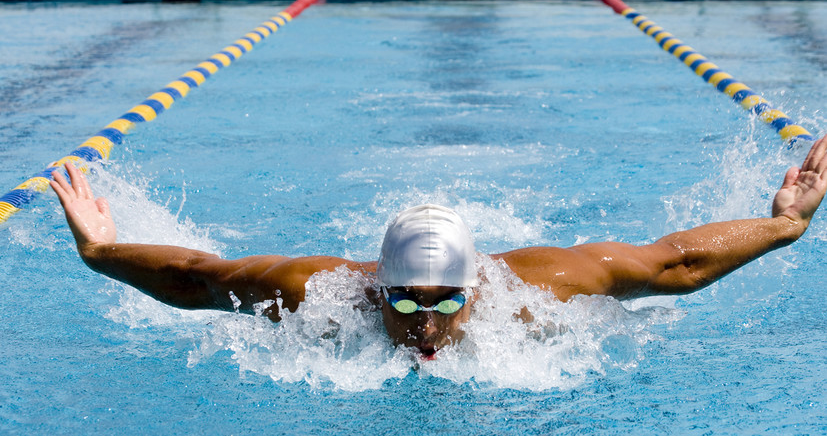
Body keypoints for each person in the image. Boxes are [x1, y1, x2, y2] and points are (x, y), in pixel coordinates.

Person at [50, 136, 827, 359]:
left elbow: (673, 263)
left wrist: (783, 224)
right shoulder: (321, 289)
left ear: (478, 288)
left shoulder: (539, 289)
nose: (426, 322)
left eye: (447, 298)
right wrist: (102, 251)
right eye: (407, 301)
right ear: (375, 288)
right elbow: (199, 278)